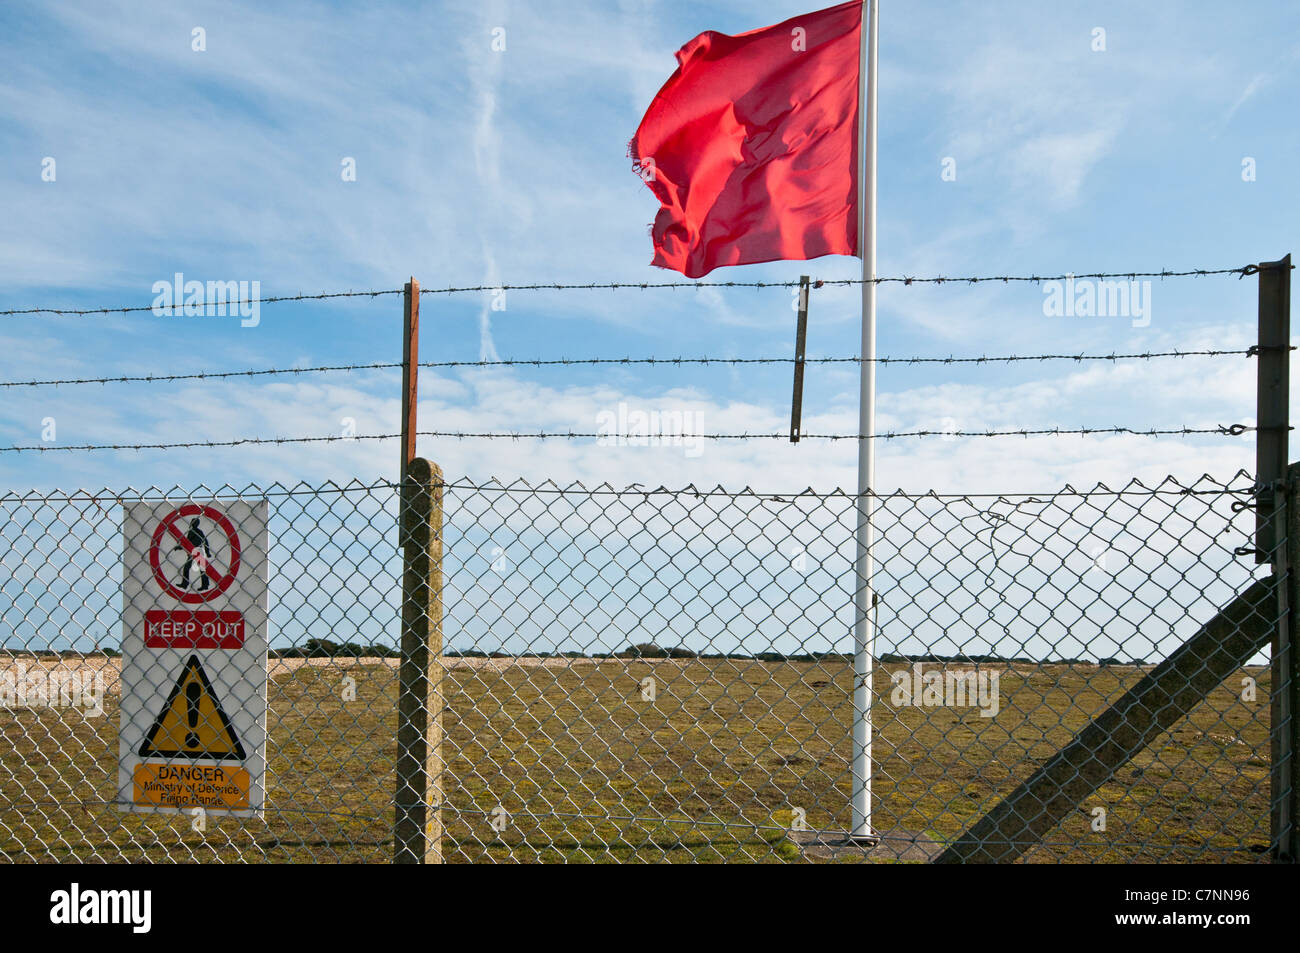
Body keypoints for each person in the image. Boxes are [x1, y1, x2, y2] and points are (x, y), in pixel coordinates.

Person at [174, 517, 212, 591]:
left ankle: (205, 585)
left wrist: (207, 552)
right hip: (192, 552)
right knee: (187, 568)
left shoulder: (199, 532)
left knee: (201, 569)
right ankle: (185, 584)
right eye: (192, 522)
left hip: (198, 551)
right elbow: (187, 543)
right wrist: (179, 547)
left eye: (194, 522)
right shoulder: (191, 531)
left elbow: (205, 541)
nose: (193, 523)